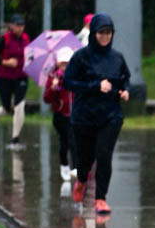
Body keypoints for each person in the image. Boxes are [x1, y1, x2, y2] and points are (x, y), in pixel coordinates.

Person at [63, 13, 130, 215]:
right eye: (101, 32)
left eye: (108, 33)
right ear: (93, 33)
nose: (105, 36)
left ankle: (101, 198)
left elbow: (125, 78)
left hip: (110, 115)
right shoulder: (81, 57)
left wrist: (125, 90)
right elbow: (68, 82)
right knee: (85, 159)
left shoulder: (117, 57)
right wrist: (95, 85)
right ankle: (82, 180)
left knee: (104, 155)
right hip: (84, 115)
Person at [0, 14, 30, 147]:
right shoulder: (5, 39)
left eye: (22, 25)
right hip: (5, 77)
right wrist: (5, 62)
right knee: (6, 108)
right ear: (11, 26)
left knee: (19, 105)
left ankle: (15, 139)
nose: (20, 28)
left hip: (21, 76)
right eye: (17, 25)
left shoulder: (26, 38)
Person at [42, 46, 78, 182]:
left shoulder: (75, 76)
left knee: (74, 141)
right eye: (63, 63)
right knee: (64, 143)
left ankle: (76, 167)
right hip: (60, 116)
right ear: (57, 63)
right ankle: (64, 164)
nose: (65, 66)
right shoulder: (53, 77)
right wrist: (53, 88)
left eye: (68, 63)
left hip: (74, 115)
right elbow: (47, 99)